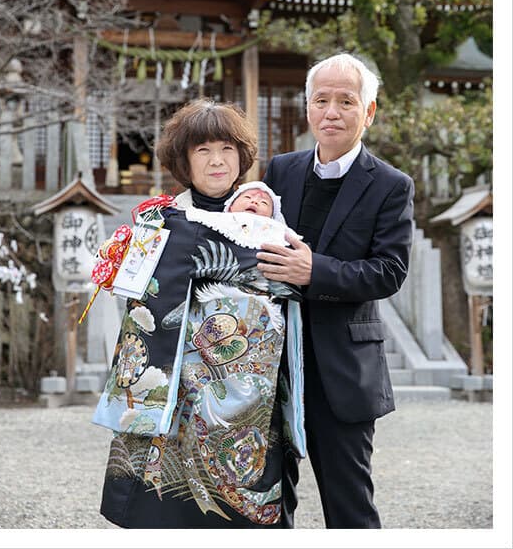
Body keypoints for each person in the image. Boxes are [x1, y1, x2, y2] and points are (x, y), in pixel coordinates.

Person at [92, 99, 304, 529]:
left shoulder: (268, 221)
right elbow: (136, 300)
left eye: (226, 149)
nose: (217, 161)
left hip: (247, 397)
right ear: (183, 160)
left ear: (242, 156)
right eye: (202, 150)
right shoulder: (161, 221)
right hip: (172, 392)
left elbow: (288, 295)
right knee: (161, 511)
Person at [256, 52, 415, 529]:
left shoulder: (390, 185)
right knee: (265, 505)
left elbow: (389, 271)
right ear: (307, 109)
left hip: (342, 371)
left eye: (346, 101)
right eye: (320, 100)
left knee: (350, 508)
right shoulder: (280, 170)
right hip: (272, 365)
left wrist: (314, 271)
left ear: (368, 112)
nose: (331, 112)